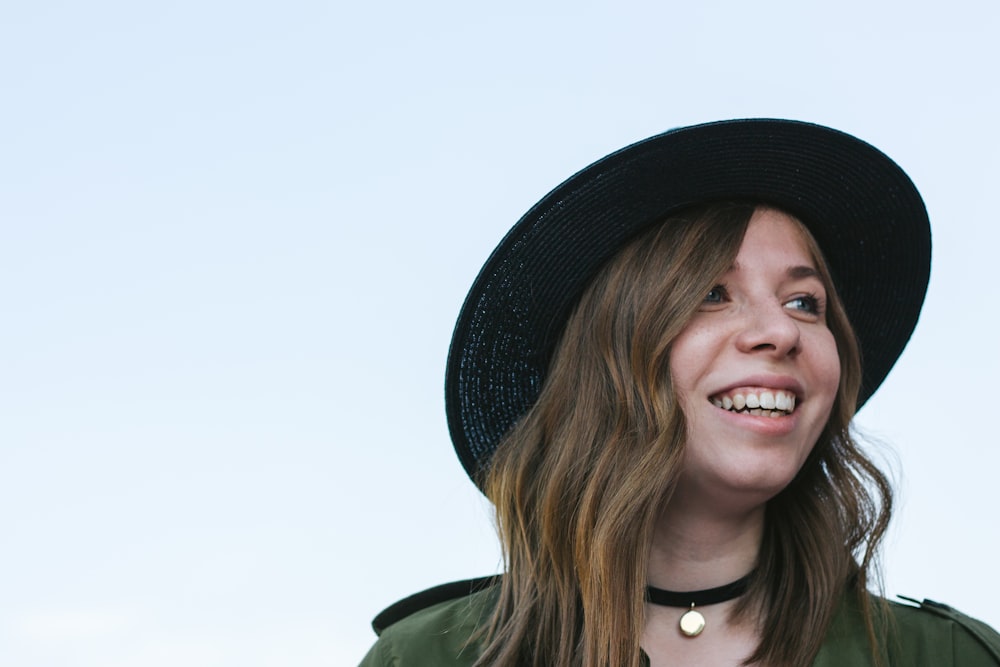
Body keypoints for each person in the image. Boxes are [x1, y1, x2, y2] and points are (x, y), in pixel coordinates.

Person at [359, 119, 1000, 666]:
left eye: (806, 302)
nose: (781, 330)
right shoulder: (429, 658)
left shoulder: (945, 655)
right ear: (601, 356)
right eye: (710, 294)